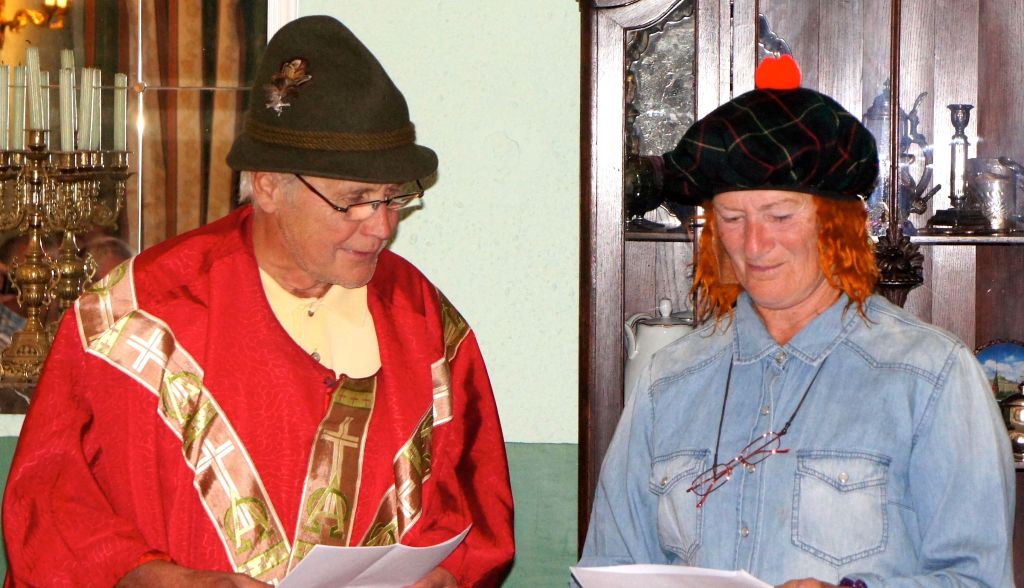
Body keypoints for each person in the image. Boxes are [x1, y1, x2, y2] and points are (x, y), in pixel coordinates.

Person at [3, 15, 514, 587]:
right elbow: (50, 509)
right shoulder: (135, 316)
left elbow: (477, 505)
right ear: (269, 184)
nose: (382, 227)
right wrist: (159, 579)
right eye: (355, 200)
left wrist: (447, 576)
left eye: (394, 199)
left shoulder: (422, 322)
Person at [577, 56, 1014, 586]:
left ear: (837, 226)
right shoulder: (668, 380)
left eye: (780, 216)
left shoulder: (931, 375)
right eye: (732, 219)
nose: (754, 244)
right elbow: (611, 566)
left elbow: (977, 579)